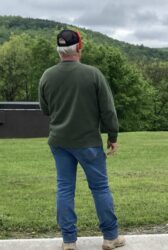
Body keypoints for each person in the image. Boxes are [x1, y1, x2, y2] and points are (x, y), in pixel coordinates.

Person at [39, 29, 125, 250]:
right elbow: (108, 110)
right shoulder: (93, 74)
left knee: (65, 188)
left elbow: (45, 109)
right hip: (89, 143)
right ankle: (110, 237)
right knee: (100, 188)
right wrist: (112, 135)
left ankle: (69, 241)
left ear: (59, 49)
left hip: (59, 142)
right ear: (79, 47)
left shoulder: (47, 75)